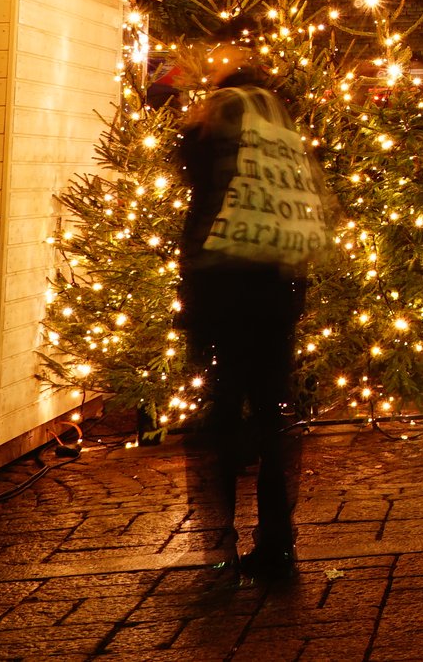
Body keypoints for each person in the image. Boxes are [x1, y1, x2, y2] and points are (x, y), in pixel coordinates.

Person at [172, 42, 315, 581]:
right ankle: (278, 541)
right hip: (277, 285)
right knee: (275, 411)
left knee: (221, 412)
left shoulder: (215, 116)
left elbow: (196, 181)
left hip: (221, 283)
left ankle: (218, 544)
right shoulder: (280, 120)